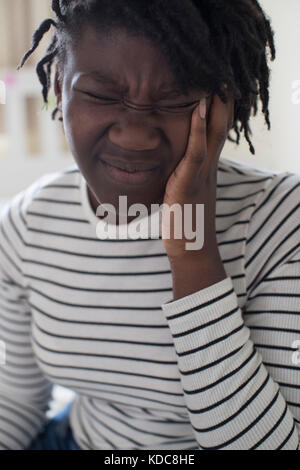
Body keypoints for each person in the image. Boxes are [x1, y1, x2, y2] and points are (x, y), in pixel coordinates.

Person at [0, 0, 299, 450]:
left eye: (176, 101)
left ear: (221, 103)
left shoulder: (280, 220)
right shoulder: (27, 224)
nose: (134, 134)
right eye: (101, 95)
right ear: (59, 82)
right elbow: (16, 402)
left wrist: (193, 252)